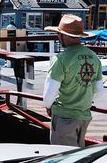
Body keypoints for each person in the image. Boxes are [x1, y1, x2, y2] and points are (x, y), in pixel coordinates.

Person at [43, 14, 103, 147]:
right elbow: (99, 91)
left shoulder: (61, 59)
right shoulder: (94, 57)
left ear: (63, 36)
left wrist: (48, 106)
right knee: (77, 158)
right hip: (84, 117)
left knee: (62, 159)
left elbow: (48, 96)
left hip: (64, 118)